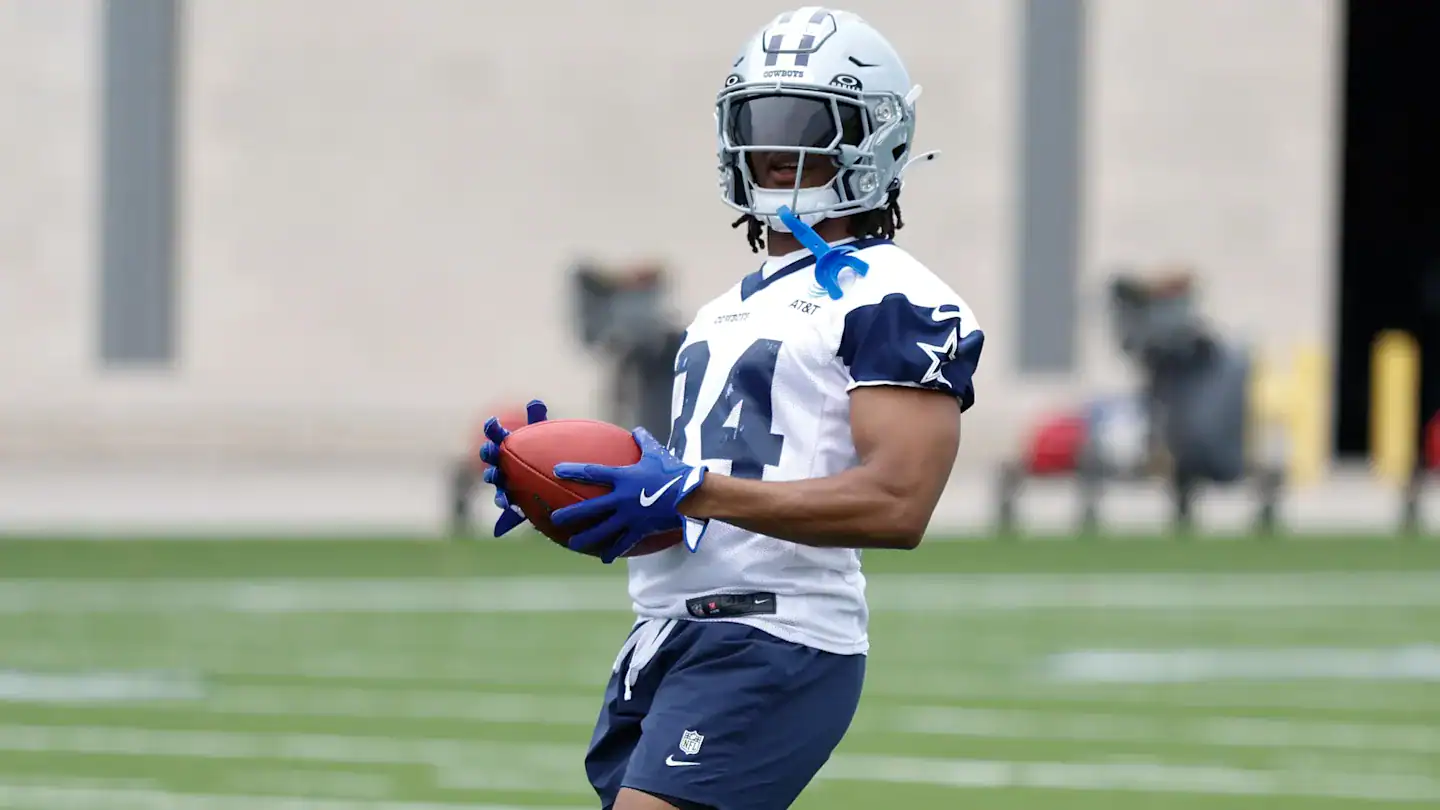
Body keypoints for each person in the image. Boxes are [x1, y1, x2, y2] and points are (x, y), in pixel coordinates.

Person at [480, 8, 984, 809]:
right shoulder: (723, 311)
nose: (773, 149)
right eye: (758, 123)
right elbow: (694, 508)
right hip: (672, 632)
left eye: (802, 123)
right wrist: (576, 493)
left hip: (773, 637)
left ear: (872, 133)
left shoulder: (897, 297)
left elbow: (899, 504)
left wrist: (691, 491)